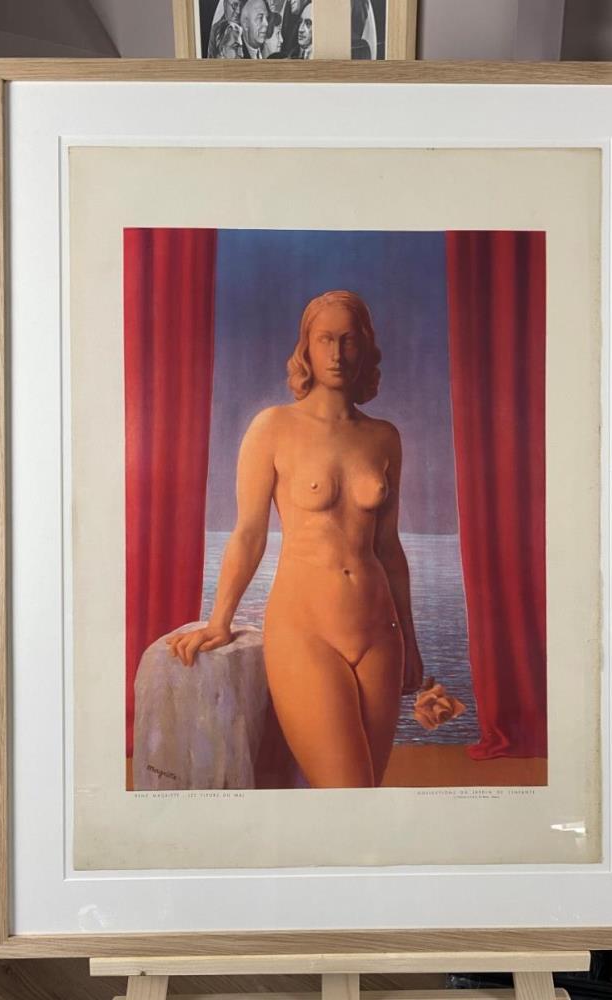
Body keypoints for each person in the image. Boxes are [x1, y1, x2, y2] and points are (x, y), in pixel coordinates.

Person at [168, 291, 425, 789]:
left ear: (365, 347)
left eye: (348, 341)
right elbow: (249, 534)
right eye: (325, 340)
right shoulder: (272, 427)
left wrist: (412, 641)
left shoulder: (384, 438)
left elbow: (389, 548)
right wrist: (220, 619)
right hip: (306, 632)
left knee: (366, 796)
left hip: (381, 633)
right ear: (305, 347)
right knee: (348, 792)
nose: (336, 354)